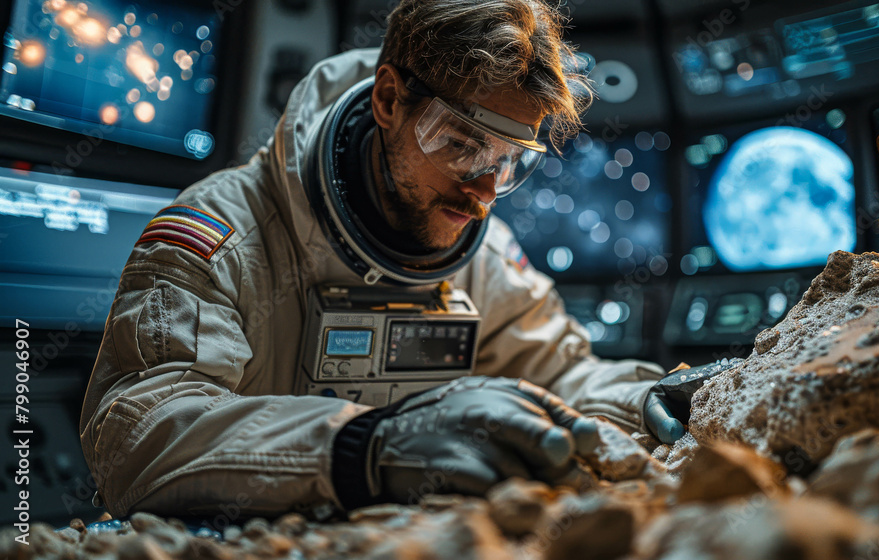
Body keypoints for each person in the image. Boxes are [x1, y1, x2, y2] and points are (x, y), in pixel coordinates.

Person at [79, 0, 684, 520]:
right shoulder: (227, 236)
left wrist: (653, 397)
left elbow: (560, 376)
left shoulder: (485, 257)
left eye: (509, 161)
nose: (484, 193)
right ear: (389, 98)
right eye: (459, 144)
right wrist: (365, 447)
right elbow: (139, 436)